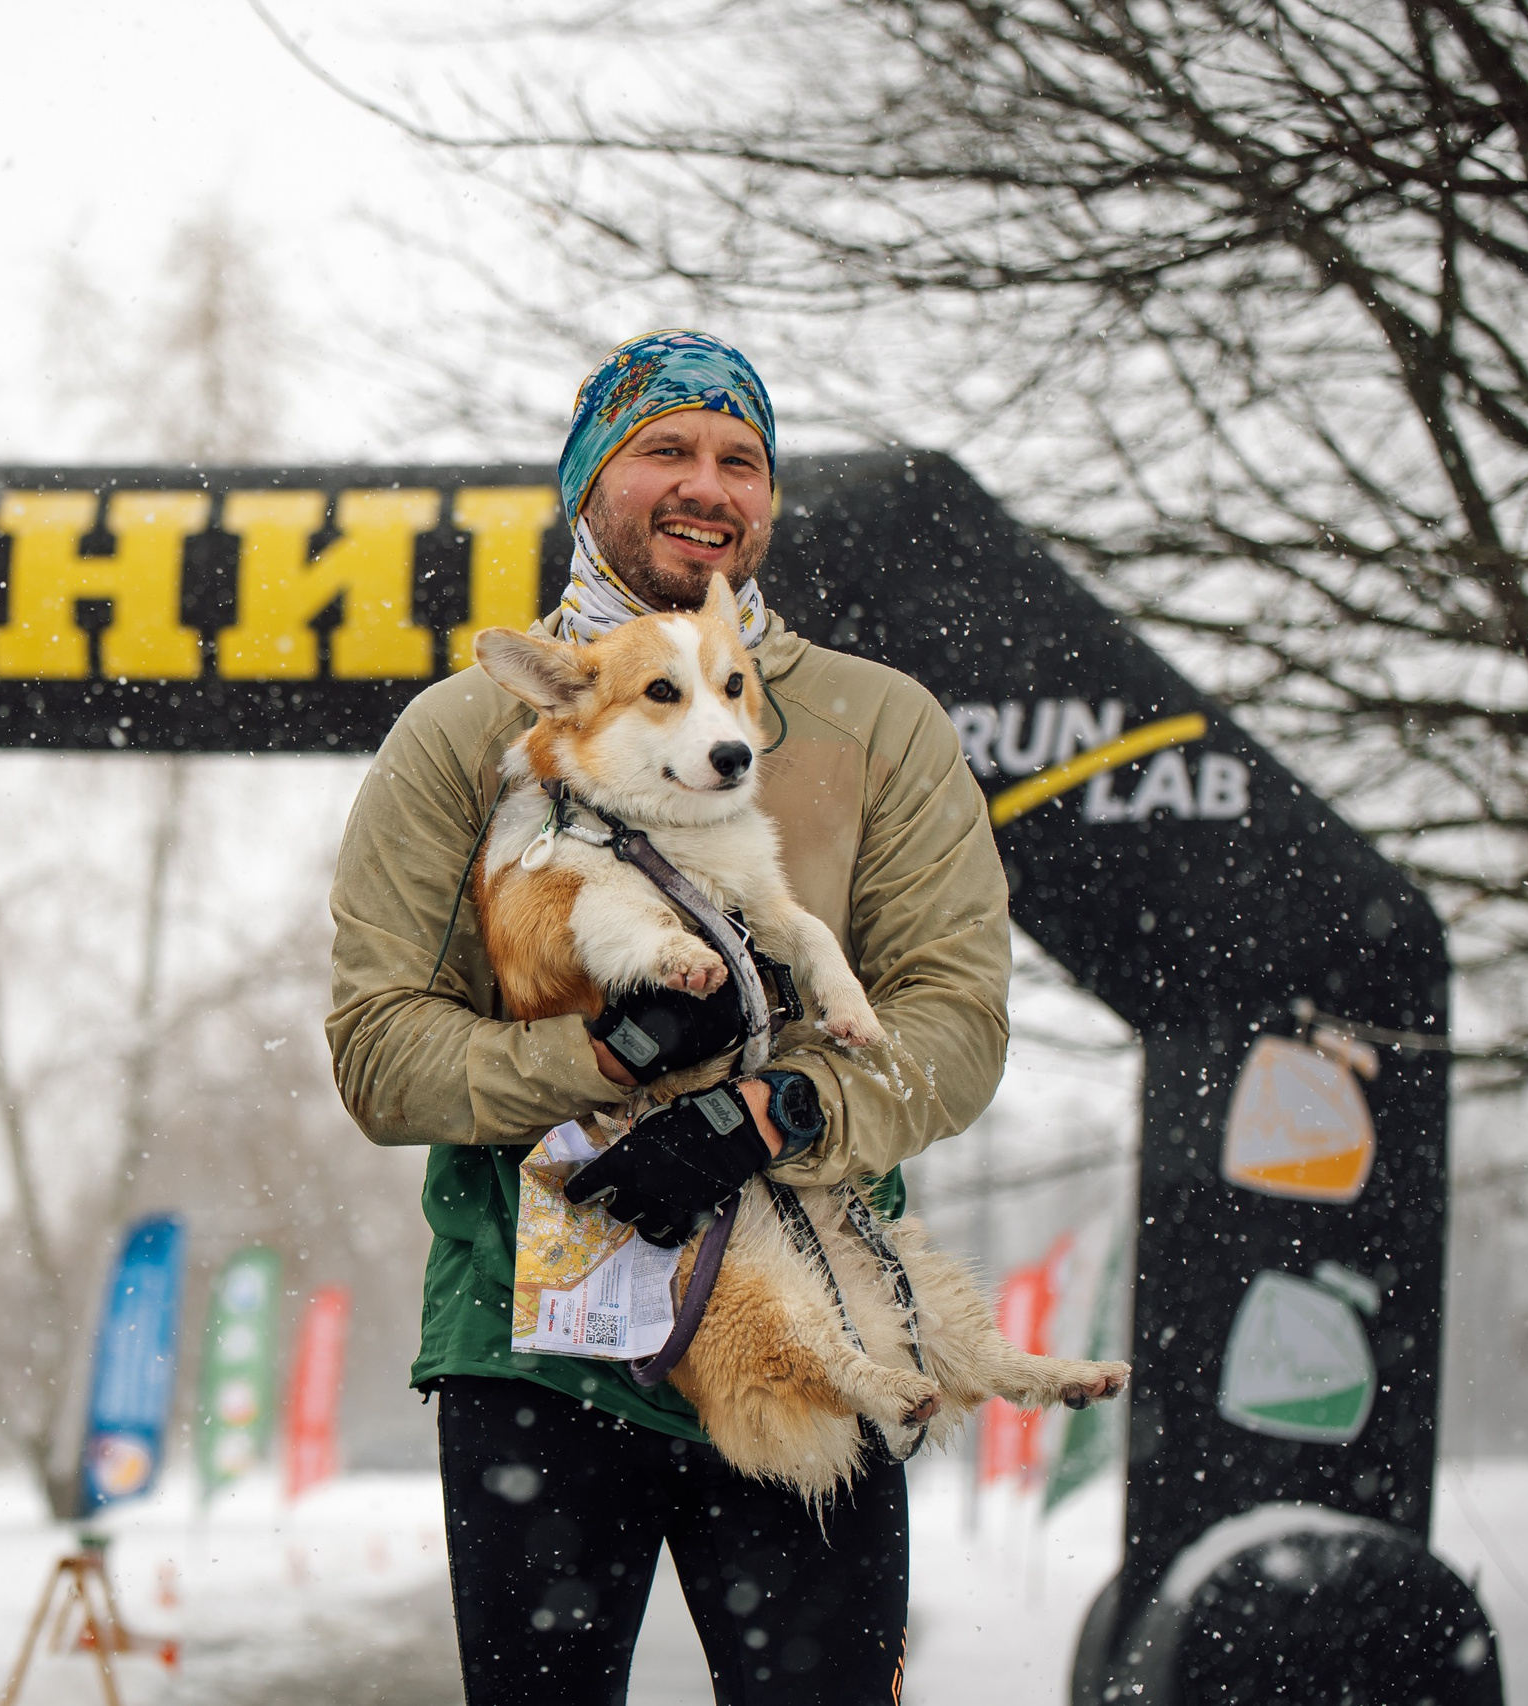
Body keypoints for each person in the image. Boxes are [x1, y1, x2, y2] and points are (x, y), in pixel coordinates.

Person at [326, 331, 1010, 1704]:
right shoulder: (462, 731)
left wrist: (779, 1108)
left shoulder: (878, 724)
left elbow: (957, 1018)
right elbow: (379, 1048)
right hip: (537, 1346)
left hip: (814, 1326)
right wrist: (595, 1055)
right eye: (665, 449)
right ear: (588, 481)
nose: (708, 484)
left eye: (740, 458)